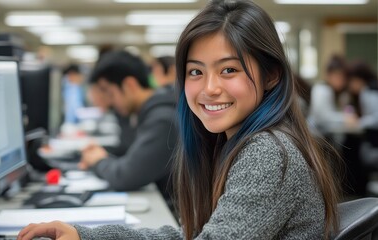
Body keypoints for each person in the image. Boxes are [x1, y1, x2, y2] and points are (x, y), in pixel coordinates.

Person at [17, 1, 340, 239]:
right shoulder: (230, 144)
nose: (210, 88)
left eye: (229, 69)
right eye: (196, 72)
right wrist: (85, 235)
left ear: (271, 75)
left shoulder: (268, 153)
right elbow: (190, 235)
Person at [80, 50, 177, 200]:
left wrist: (99, 161)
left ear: (129, 85)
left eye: (111, 94)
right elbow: (130, 149)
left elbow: (125, 176)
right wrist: (101, 152)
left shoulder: (163, 119)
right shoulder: (148, 112)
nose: (110, 102)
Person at [308, 55, 353, 135]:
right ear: (328, 75)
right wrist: (345, 118)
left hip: (328, 134)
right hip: (318, 136)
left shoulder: (339, 92)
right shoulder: (322, 89)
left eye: (343, 77)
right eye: (337, 76)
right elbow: (322, 117)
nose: (340, 80)